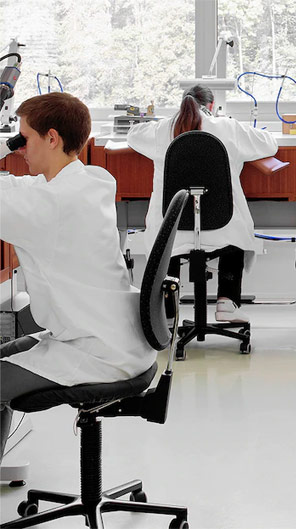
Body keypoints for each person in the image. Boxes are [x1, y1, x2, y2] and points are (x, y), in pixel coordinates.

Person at [0, 93, 154, 464]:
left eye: (24, 138)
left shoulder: (48, 207)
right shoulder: (92, 180)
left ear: (52, 138)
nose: (19, 147)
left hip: (97, 351)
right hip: (118, 336)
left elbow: (24, 200)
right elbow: (22, 189)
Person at [128, 85, 278, 323]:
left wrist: (166, 121)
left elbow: (132, 135)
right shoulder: (228, 127)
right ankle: (227, 302)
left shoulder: (161, 129)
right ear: (211, 106)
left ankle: (167, 311)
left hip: (172, 227)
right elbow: (270, 144)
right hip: (222, 226)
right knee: (235, 226)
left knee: (169, 243)